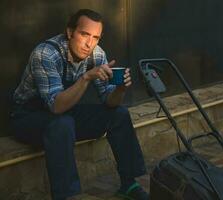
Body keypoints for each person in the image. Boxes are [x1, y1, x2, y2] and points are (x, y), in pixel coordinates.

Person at [10, 9, 148, 200]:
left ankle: (129, 183)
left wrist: (120, 89)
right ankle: (66, 196)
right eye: (84, 34)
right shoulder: (46, 54)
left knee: (119, 114)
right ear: (70, 32)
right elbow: (56, 106)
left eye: (95, 37)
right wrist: (86, 77)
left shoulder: (97, 54)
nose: (89, 43)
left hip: (65, 113)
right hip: (27, 116)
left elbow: (109, 102)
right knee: (62, 124)